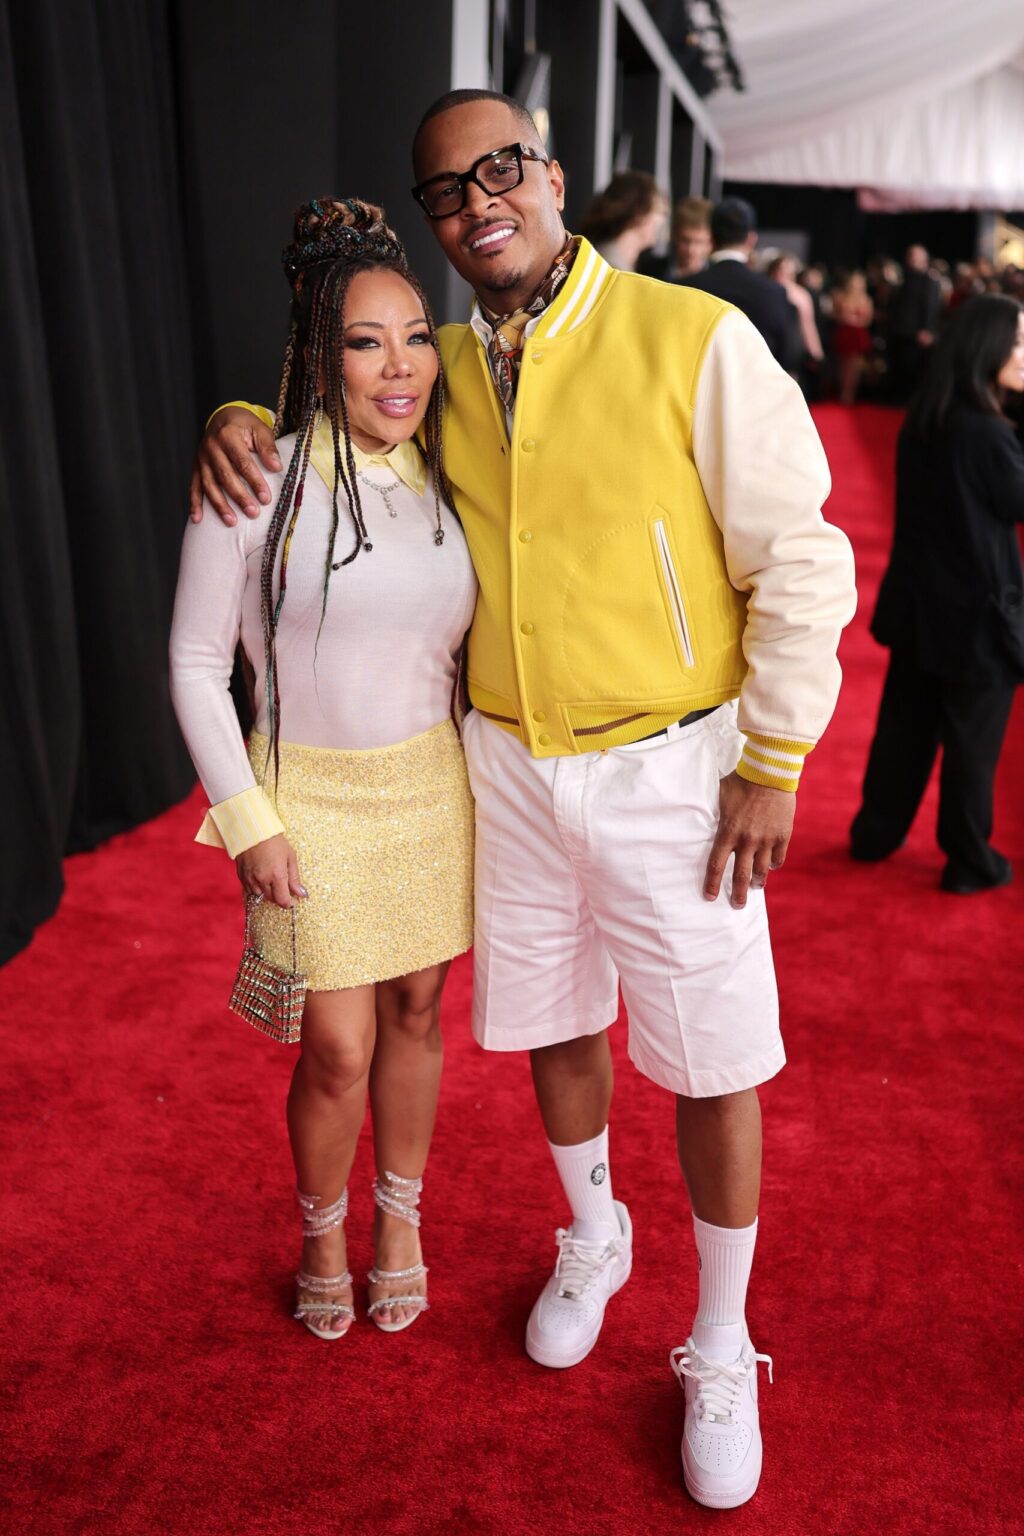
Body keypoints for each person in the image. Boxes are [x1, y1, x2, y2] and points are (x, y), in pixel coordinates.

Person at [190, 92, 856, 1510]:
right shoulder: (442, 372)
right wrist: (240, 411)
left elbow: (801, 555)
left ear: (552, 177)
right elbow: (334, 408)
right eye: (448, 189)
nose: (479, 199)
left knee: (712, 1058)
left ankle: (723, 1341)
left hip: (677, 763)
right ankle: (591, 1231)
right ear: (433, 222)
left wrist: (773, 754)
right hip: (501, 759)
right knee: (555, 1020)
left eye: (502, 168)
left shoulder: (693, 336)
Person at [170, 198, 477, 1342]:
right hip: (309, 796)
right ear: (319, 352)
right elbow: (197, 664)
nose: (399, 366)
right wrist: (249, 821)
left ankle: (399, 1219)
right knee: (336, 1045)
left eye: (413, 336)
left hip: (434, 789)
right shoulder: (260, 484)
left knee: (417, 1009)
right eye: (364, 341)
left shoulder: (457, 481)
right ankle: (320, 1228)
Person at [851, 294, 1024, 892]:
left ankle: (875, 832)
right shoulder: (988, 435)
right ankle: (969, 858)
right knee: (973, 748)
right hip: (978, 615)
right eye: (1019, 341)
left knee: (905, 729)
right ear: (988, 348)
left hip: (920, 607)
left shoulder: (928, 417)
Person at [679, 196, 799, 370]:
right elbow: (789, 357)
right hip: (754, 392)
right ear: (751, 240)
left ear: (710, 239)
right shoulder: (774, 292)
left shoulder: (684, 287)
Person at [578, 169, 668, 272]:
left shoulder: (612, 260)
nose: (662, 220)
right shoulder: (610, 266)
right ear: (639, 213)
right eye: (659, 211)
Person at [889, 244, 942, 400]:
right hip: (900, 331)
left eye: (916, 256)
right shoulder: (903, 279)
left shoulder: (929, 281)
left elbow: (931, 307)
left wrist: (927, 330)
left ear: (925, 260)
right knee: (900, 368)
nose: (912, 260)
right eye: (910, 256)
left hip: (917, 334)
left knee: (913, 370)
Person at [830, 271, 874, 405]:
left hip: (857, 334)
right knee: (842, 364)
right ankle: (842, 390)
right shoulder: (840, 296)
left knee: (854, 366)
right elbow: (835, 315)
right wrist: (846, 319)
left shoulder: (866, 299)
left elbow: (868, 319)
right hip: (844, 333)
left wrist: (855, 321)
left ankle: (849, 393)